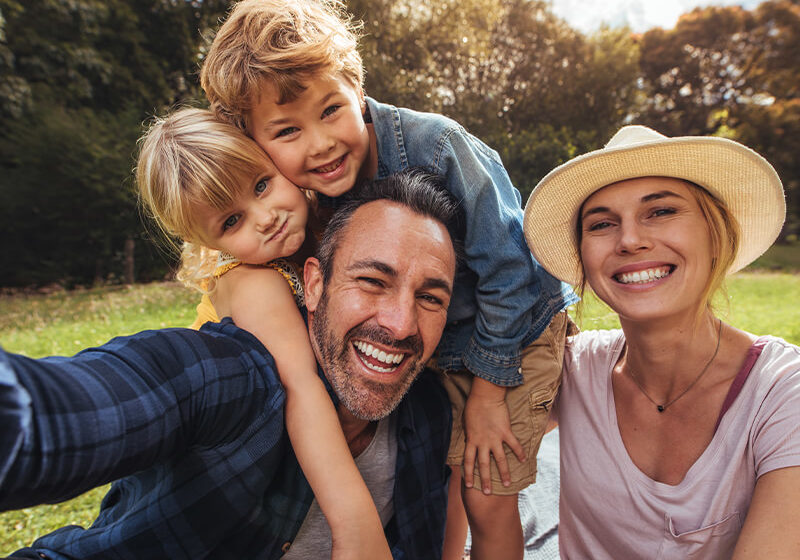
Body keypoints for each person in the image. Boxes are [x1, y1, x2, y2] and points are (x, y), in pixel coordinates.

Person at [199, 2, 577, 557]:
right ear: (256, 142)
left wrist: (489, 394)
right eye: (287, 130)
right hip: (433, 340)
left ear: (357, 89)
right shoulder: (306, 196)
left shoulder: (438, 147)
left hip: (517, 335)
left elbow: (513, 267)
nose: (320, 143)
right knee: (447, 471)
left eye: (331, 110)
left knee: (486, 489)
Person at [0, 171, 460, 559]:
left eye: (430, 297)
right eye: (373, 281)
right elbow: (72, 411)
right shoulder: (232, 378)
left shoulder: (429, 415)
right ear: (314, 284)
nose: (401, 324)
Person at [522, 124, 800, 558]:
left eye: (661, 211)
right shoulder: (571, 369)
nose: (630, 240)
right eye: (602, 224)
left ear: (716, 235)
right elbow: (478, 460)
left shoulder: (782, 393)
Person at [136, 106, 391, 558]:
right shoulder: (254, 282)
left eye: (261, 185)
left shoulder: (317, 226)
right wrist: (356, 526)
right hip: (222, 470)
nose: (265, 217)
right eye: (231, 221)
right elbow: (301, 390)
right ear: (206, 242)